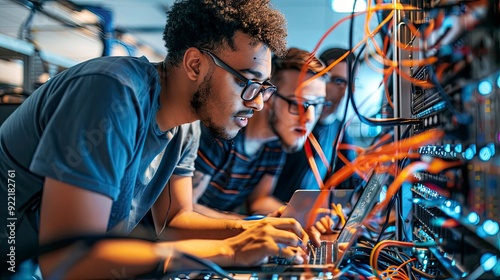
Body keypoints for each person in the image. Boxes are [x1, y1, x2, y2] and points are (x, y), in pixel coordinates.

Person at [0, 1, 311, 278]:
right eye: (248, 82)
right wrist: (231, 252)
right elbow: (68, 262)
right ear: (195, 65)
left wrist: (252, 229)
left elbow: (175, 219)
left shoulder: (186, 126)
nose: (257, 103)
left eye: (264, 88)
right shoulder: (111, 92)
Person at [192, 48, 329, 219]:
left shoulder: (275, 145)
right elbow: (186, 208)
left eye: (318, 105)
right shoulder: (223, 133)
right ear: (268, 96)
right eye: (299, 104)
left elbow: (258, 200)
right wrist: (254, 225)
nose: (309, 118)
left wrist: (304, 217)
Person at [273, 47, 358, 204]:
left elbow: (349, 182)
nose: (345, 91)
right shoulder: (289, 120)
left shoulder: (340, 131)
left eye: (351, 83)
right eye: (338, 81)